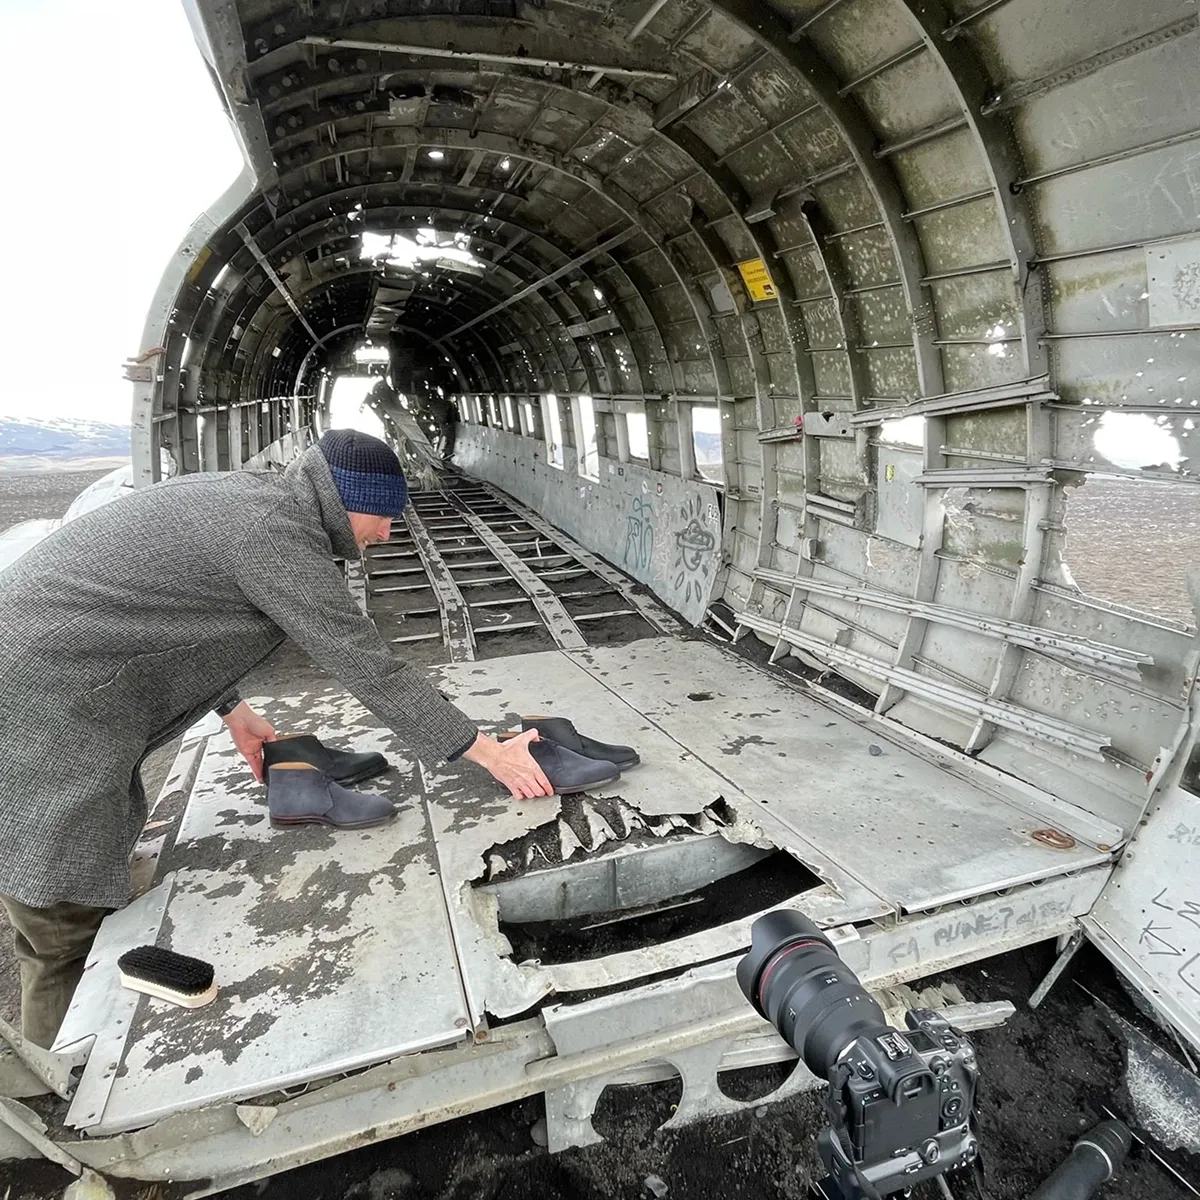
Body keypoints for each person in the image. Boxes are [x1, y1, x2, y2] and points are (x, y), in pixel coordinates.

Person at [0, 429, 553, 1049]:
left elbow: (165, 613)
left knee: (73, 867)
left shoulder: (261, 501)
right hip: (37, 701)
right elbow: (366, 663)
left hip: (53, 679)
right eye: (386, 515)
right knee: (58, 931)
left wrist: (233, 709)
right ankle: (58, 1091)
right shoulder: (274, 532)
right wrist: (486, 751)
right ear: (348, 498)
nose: (387, 534)